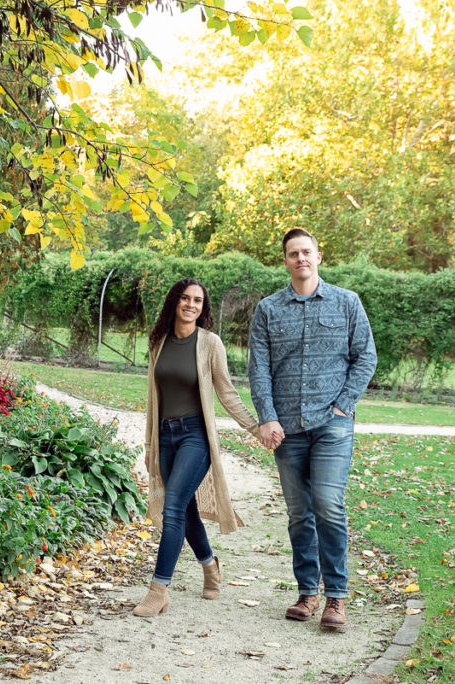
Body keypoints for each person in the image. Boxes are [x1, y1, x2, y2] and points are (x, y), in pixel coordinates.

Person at [248, 228, 377, 630]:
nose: (300, 258)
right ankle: (307, 592)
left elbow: (366, 357)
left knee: (328, 505)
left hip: (332, 425)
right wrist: (267, 417)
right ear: (285, 260)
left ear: (319, 256)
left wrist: (343, 404)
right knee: (299, 512)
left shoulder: (347, 302)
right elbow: (259, 369)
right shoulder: (268, 309)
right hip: (286, 428)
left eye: (306, 252)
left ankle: (336, 598)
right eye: (293, 253)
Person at [133, 278, 266, 617]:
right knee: (185, 509)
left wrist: (255, 427)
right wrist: (150, 444)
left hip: (195, 436)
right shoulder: (158, 341)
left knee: (173, 506)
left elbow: (227, 392)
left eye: (198, 301)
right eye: (185, 298)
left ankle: (158, 590)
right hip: (165, 436)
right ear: (174, 302)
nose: (191, 305)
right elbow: (153, 398)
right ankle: (210, 565)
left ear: (203, 308)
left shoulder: (210, 343)